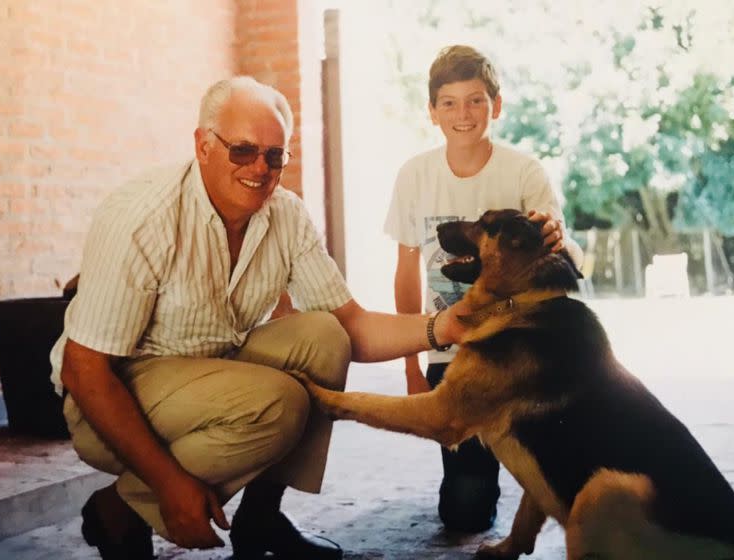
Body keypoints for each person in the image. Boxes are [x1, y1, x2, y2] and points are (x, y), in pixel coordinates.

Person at [49, 76, 472, 560]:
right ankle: (122, 510)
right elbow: (85, 371)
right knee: (280, 404)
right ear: (203, 145)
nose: (260, 169)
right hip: (112, 391)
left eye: (276, 156)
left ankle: (259, 521)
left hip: (211, 365)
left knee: (324, 336)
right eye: (243, 150)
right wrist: (167, 485)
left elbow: (352, 327)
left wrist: (442, 327)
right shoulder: (143, 217)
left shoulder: (285, 214)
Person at [384, 45, 583, 533]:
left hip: (519, 350)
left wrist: (560, 240)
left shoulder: (524, 172)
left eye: (475, 100)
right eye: (448, 102)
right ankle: (481, 478)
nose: (463, 114)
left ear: (497, 105)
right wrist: (411, 360)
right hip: (452, 352)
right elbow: (406, 268)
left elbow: (567, 258)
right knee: (465, 514)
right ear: (431, 112)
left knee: (561, 473)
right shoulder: (414, 176)